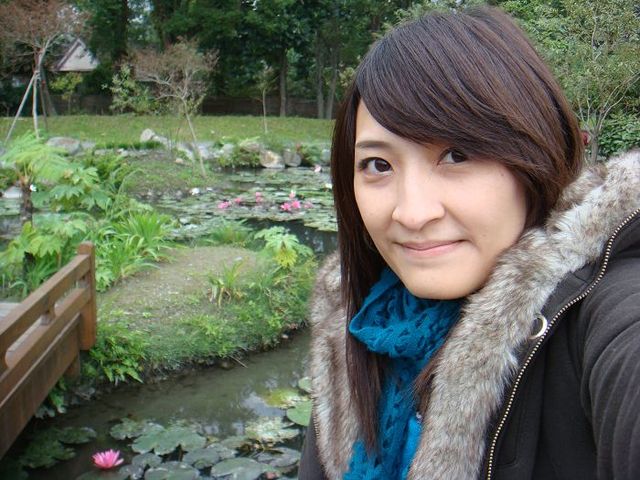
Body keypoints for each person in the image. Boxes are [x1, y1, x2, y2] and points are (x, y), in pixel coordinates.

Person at [298, 6, 640, 480]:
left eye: (456, 155)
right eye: (378, 165)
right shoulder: (357, 323)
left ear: (536, 155)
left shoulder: (609, 312)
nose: (412, 213)